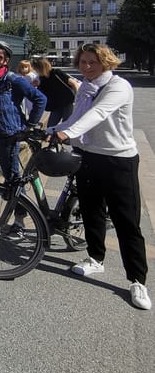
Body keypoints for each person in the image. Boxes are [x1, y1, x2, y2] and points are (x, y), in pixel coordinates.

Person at [50, 44, 150, 310]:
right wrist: (53, 129)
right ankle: (95, 259)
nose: (86, 67)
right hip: (88, 156)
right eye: (82, 62)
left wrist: (66, 134)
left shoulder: (118, 87)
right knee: (91, 211)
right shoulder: (86, 88)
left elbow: (98, 114)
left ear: (106, 62)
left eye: (93, 62)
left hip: (119, 159)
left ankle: (137, 280)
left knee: (126, 221)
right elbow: (77, 117)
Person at [0, 41, 47, 231]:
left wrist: (29, 126)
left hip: (7, 136)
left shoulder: (12, 80)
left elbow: (40, 99)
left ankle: (19, 220)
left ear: (6, 61)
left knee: (12, 179)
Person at [32, 57, 79, 127]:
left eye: (36, 69)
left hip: (67, 102)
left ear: (41, 67)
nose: (36, 71)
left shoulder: (56, 73)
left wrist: (77, 98)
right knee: (50, 126)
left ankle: (65, 137)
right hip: (55, 105)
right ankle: (50, 136)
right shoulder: (42, 78)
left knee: (67, 124)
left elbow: (74, 84)